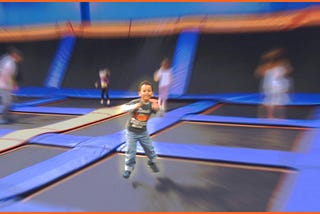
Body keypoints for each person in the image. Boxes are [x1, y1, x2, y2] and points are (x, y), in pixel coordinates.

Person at [121, 80, 160, 179]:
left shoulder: (151, 105)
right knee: (131, 151)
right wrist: (135, 106)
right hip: (131, 132)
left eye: (149, 91)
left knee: (150, 149)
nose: (146, 93)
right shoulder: (136, 102)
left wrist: (157, 108)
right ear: (140, 93)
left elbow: (157, 109)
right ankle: (128, 168)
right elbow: (123, 108)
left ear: (152, 93)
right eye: (144, 91)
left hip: (143, 132)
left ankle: (152, 162)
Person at [255, 48, 292, 119]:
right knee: (269, 102)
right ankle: (269, 116)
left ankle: (277, 117)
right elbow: (258, 73)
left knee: (278, 103)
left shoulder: (281, 65)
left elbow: (287, 71)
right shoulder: (268, 66)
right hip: (271, 88)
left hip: (278, 88)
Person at [0, 47, 23, 124]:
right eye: (19, 56)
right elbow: (8, 75)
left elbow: (10, 75)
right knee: (6, 102)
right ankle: (3, 118)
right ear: (15, 55)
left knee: (8, 101)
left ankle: (6, 116)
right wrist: (12, 85)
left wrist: (13, 85)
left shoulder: (8, 60)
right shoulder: (9, 62)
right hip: (3, 85)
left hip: (5, 85)